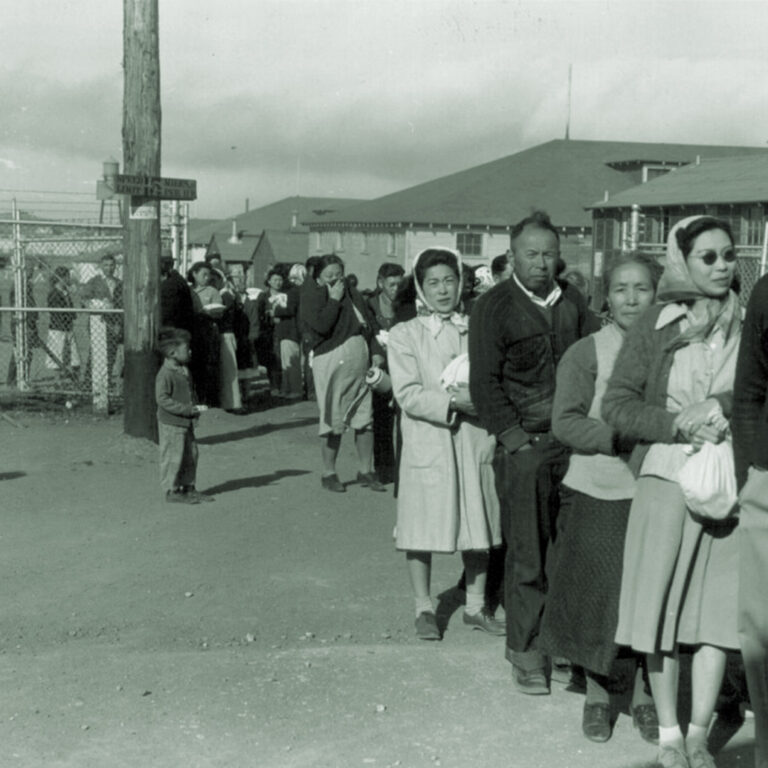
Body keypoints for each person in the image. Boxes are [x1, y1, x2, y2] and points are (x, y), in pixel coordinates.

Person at [602, 216, 742, 768]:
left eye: (729, 255)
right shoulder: (658, 324)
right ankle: (668, 736)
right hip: (667, 480)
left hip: (726, 484)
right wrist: (678, 422)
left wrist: (724, 407)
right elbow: (616, 405)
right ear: (682, 259)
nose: (722, 265)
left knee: (714, 618)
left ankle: (701, 734)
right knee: (660, 616)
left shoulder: (749, 323)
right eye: (707, 257)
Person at [469, 210, 591, 695]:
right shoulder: (493, 307)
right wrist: (515, 442)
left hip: (572, 447)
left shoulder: (575, 303)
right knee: (527, 554)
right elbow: (484, 382)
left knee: (566, 552)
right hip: (525, 447)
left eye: (549, 254)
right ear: (513, 254)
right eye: (531, 254)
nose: (541, 263)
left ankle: (558, 644)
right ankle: (524, 651)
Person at [539, 254, 660, 743]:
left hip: (660, 492)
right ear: (605, 297)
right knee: (596, 596)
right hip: (600, 488)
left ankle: (646, 696)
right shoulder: (587, 352)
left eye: (642, 289)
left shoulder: (675, 350)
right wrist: (620, 438)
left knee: (651, 595)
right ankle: (596, 694)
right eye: (621, 289)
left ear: (658, 294)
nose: (632, 298)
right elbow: (565, 421)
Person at [389, 247, 503, 640]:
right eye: (433, 282)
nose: (442, 290)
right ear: (420, 287)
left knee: (478, 522)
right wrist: (454, 401)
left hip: (474, 438)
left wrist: (483, 399)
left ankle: (475, 605)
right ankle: (423, 607)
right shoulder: (406, 334)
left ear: (461, 283)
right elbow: (407, 393)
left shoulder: (480, 327)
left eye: (449, 280)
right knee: (420, 525)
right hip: (429, 441)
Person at [300, 254, 385, 492]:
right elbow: (321, 326)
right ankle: (329, 473)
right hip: (331, 361)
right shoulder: (312, 295)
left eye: (339, 274)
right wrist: (334, 300)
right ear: (317, 277)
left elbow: (369, 324)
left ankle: (365, 470)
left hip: (361, 362)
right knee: (332, 420)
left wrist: (376, 351)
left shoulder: (353, 293)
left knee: (364, 419)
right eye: (330, 275)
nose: (336, 279)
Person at [732, 272, 768, 768]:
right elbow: (749, 393)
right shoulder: (766, 293)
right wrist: (748, 476)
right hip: (767, 479)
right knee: (762, 630)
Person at [155, 327, 213, 504]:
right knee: (173, 456)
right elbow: (162, 399)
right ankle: (172, 490)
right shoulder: (165, 375)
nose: (190, 351)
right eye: (186, 349)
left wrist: (193, 409)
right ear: (173, 353)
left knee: (191, 454)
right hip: (172, 423)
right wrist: (186, 409)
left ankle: (188, 487)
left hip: (185, 422)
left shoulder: (183, 370)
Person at [367, 263, 405, 484]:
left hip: (404, 367)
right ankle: (384, 469)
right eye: (391, 284)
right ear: (380, 283)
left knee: (405, 420)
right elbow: (368, 331)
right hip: (381, 368)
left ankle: (404, 468)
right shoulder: (370, 305)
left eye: (399, 284)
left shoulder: (407, 305)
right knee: (382, 420)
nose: (395, 289)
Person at [81, 253, 123, 387]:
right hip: (98, 322)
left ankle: (107, 379)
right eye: (106, 265)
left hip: (114, 322)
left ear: (115, 267)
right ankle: (89, 381)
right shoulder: (94, 281)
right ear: (101, 266)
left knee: (111, 352)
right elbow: (84, 299)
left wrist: (118, 323)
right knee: (97, 351)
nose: (109, 268)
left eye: (111, 265)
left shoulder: (119, 283)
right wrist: (97, 304)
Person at [188, 261, 222, 407]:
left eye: (208, 275)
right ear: (194, 274)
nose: (206, 278)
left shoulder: (212, 291)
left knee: (209, 366)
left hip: (208, 331)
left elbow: (219, 312)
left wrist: (208, 312)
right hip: (193, 331)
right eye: (204, 274)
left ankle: (209, 399)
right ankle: (196, 398)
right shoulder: (189, 290)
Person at [45, 266, 80, 381]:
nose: (69, 279)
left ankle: (75, 376)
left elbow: (71, 308)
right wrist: (67, 317)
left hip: (68, 326)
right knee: (58, 352)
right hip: (58, 327)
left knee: (73, 352)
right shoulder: (54, 293)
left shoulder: (65, 292)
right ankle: (57, 379)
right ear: (62, 278)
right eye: (67, 277)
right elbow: (55, 312)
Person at [273, 270, 302, 399]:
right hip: (287, 332)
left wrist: (276, 310)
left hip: (290, 332)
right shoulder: (292, 292)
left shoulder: (293, 292)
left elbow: (290, 309)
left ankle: (295, 389)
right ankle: (287, 388)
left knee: (291, 362)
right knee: (287, 363)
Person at [254, 269, 284, 395]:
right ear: (269, 281)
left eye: (280, 280)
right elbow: (259, 313)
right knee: (271, 358)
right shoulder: (263, 296)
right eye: (275, 280)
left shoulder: (286, 295)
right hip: (267, 331)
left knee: (280, 358)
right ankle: (273, 385)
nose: (278, 283)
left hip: (281, 330)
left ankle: (278, 386)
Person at [218, 274, 244, 412]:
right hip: (228, 332)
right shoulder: (231, 295)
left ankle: (233, 403)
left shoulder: (225, 295)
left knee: (229, 370)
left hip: (226, 333)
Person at [160, 253, 194, 333]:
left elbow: (167, 311)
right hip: (179, 328)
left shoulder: (172, 283)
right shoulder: (179, 281)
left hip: (171, 329)